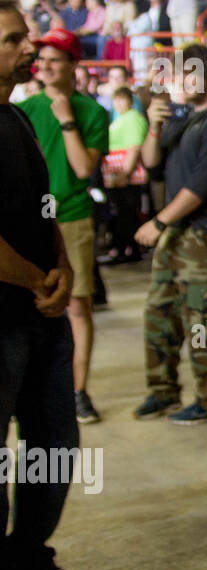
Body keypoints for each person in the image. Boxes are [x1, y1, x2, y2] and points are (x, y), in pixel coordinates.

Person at [0, 0, 94, 570]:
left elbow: (45, 206)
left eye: (24, 37)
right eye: (12, 39)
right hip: (6, 319)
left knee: (53, 444)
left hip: (41, 314)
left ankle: (27, 558)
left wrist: (60, 269)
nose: (28, 49)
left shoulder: (18, 121)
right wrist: (40, 280)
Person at [133, 44, 207, 425]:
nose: (179, 81)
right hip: (177, 234)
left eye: (188, 73)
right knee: (159, 315)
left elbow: (199, 187)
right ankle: (162, 392)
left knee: (201, 322)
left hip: (203, 236)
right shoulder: (183, 119)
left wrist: (159, 222)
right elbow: (151, 164)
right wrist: (155, 125)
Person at [17, 29, 108, 426]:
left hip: (72, 216)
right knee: (29, 303)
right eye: (44, 59)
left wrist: (66, 119)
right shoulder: (24, 109)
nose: (47, 66)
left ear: (73, 65)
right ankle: (29, 391)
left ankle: (78, 391)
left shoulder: (91, 112)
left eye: (56, 59)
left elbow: (84, 169)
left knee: (77, 304)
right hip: (31, 219)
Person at [100, 86, 147, 265]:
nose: (119, 103)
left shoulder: (133, 119)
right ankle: (127, 248)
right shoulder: (121, 118)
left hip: (126, 176)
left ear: (130, 101)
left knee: (125, 214)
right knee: (124, 213)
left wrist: (125, 173)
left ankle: (125, 249)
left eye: (122, 99)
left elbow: (134, 147)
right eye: (116, 100)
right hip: (116, 174)